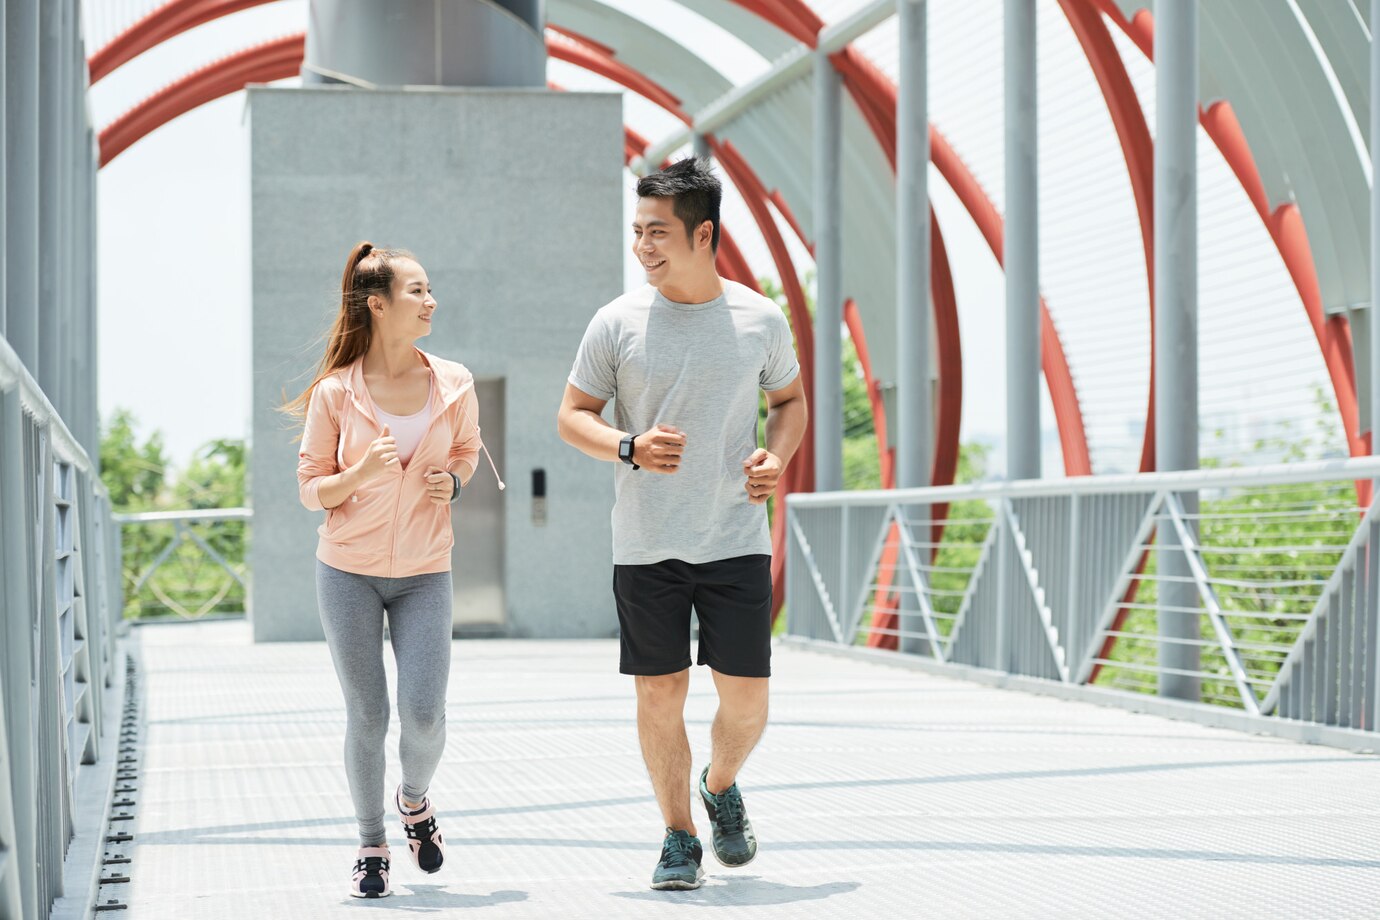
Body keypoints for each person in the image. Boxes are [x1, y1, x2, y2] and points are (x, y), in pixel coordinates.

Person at [556, 157, 808, 890]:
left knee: (747, 699)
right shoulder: (616, 322)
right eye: (637, 232)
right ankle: (677, 835)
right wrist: (628, 445)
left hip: (733, 538)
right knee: (658, 693)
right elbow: (572, 416)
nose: (644, 248)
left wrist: (778, 455)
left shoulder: (760, 319)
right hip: (645, 544)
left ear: (705, 235)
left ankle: (720, 782)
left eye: (659, 233)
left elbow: (789, 401)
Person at [287, 242, 502, 899]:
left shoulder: (454, 382)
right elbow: (309, 491)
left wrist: (454, 483)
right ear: (378, 305)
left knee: (425, 715)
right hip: (347, 571)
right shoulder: (335, 393)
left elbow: (467, 451)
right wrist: (362, 472)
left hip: (425, 572)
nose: (431, 300)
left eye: (429, 289)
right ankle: (371, 842)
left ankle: (415, 800)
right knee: (368, 715)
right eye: (418, 291)